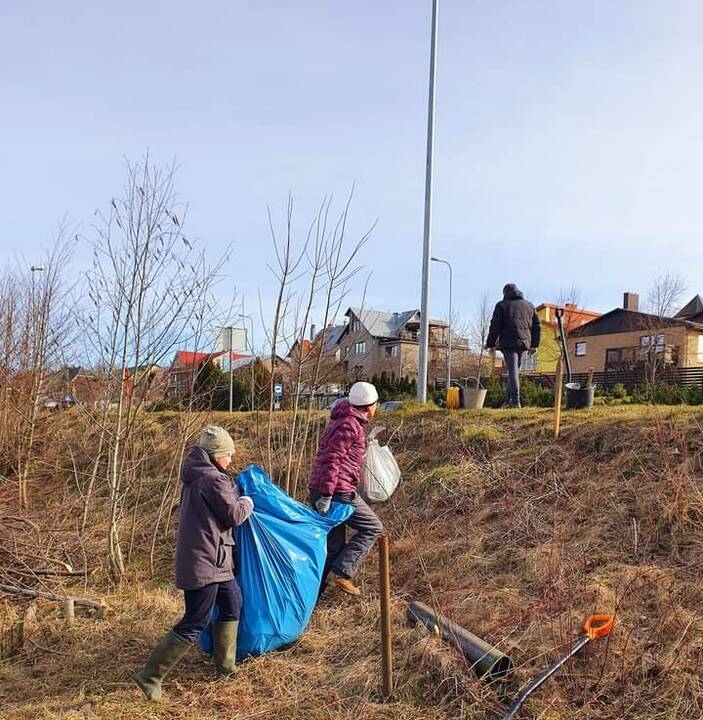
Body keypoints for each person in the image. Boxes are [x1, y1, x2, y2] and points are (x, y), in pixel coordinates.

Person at [134, 425, 254, 702]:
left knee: (232, 602)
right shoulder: (212, 479)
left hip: (215, 558)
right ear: (216, 455)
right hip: (207, 560)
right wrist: (247, 500)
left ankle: (225, 667)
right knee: (195, 620)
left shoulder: (200, 475)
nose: (231, 459)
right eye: (228, 454)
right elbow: (234, 515)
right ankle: (150, 676)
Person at [309, 381, 383, 597]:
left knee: (332, 549)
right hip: (337, 493)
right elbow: (332, 459)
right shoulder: (349, 425)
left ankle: (311, 603)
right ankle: (342, 572)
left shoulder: (344, 421)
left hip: (327, 490)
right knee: (372, 527)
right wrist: (327, 495)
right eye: (376, 405)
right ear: (370, 406)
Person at [485, 283, 541, 408]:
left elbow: (495, 326)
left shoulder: (502, 305)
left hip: (509, 344)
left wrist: (490, 343)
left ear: (505, 293)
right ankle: (507, 401)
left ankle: (515, 402)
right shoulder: (529, 306)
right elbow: (537, 327)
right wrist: (534, 345)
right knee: (514, 372)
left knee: (513, 372)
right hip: (524, 343)